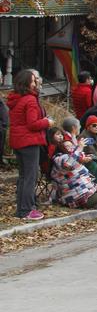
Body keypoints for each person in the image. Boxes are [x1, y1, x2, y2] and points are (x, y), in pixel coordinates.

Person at [8, 69, 53, 220]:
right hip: (29, 141)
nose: (36, 83)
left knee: (23, 176)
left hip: (18, 141)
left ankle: (21, 209)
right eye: (33, 81)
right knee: (30, 176)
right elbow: (32, 124)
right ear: (27, 83)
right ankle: (27, 209)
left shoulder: (16, 98)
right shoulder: (30, 100)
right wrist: (47, 122)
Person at [48, 127, 97, 213]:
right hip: (78, 196)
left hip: (84, 190)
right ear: (62, 147)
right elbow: (68, 165)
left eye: (72, 146)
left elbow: (74, 164)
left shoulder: (69, 157)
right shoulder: (59, 158)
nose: (71, 148)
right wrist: (79, 148)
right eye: (67, 146)